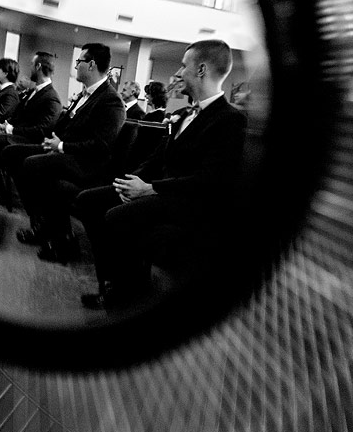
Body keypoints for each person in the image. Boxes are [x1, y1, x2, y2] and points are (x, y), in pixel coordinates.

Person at [73, 39, 247, 310]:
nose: (178, 73)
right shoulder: (182, 113)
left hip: (187, 202)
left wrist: (149, 189)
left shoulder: (230, 119)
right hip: (158, 192)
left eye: (183, 66)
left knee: (115, 216)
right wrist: (129, 181)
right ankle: (115, 280)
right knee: (87, 200)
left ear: (201, 70)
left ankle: (126, 289)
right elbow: (156, 160)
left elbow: (211, 179)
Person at [0, 43, 126, 262]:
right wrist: (53, 141)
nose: (75, 66)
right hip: (67, 155)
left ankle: (59, 235)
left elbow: (101, 146)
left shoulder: (111, 100)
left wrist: (61, 146)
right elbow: (64, 127)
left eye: (79, 62)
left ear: (92, 64)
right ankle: (44, 224)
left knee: (32, 165)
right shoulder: (84, 95)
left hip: (88, 165)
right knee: (14, 154)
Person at [0, 52, 63, 205]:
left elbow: (41, 130)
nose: (29, 67)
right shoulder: (35, 91)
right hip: (17, 133)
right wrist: (7, 124)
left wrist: (12, 129)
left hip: (28, 140)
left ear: (38, 67)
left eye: (32, 64)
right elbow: (19, 116)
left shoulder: (51, 97)